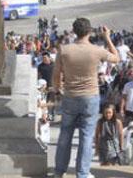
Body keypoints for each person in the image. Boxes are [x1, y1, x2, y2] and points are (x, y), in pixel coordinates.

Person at [52, 18, 120, 178]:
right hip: (90, 97)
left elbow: (56, 74)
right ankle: (82, 173)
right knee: (86, 136)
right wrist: (107, 37)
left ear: (74, 31)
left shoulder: (64, 49)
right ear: (89, 32)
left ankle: (59, 172)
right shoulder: (97, 50)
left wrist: (57, 89)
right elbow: (116, 58)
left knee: (65, 134)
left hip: (70, 95)